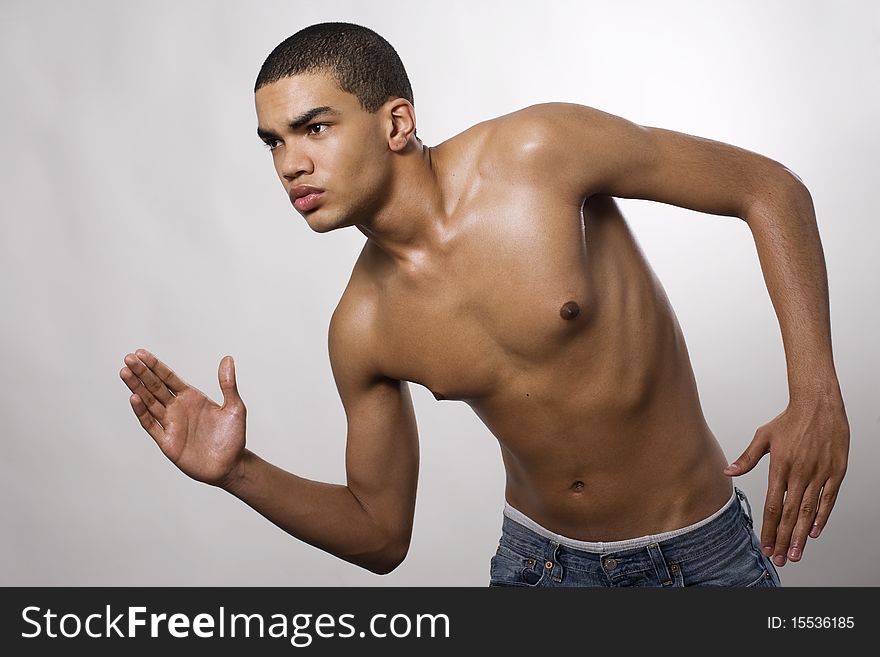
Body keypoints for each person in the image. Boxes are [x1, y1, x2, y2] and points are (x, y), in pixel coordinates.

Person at [119, 22, 849, 586]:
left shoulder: (538, 153)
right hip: (540, 572)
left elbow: (767, 187)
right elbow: (380, 534)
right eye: (273, 142)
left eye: (315, 127)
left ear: (396, 123)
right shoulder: (363, 327)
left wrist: (816, 394)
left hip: (699, 554)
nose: (290, 163)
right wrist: (237, 469)